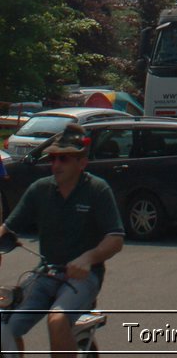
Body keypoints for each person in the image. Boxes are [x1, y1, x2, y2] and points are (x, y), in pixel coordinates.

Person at [0, 124, 124, 358]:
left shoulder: (97, 190)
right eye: (53, 158)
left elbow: (115, 238)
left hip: (85, 277)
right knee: (5, 324)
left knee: (56, 320)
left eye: (64, 159)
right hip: (46, 272)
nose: (55, 165)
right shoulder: (40, 189)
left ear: (82, 163)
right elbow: (8, 227)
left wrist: (88, 258)